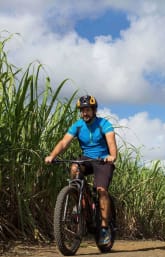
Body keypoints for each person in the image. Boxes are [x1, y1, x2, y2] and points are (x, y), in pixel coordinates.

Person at [45, 95, 118, 245]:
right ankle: (77, 198)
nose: (85, 113)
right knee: (74, 167)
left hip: (102, 160)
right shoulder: (77, 126)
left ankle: (104, 229)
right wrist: (52, 155)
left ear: (94, 110)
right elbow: (64, 142)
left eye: (87, 110)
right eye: (82, 110)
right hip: (86, 158)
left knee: (101, 190)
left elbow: (111, 142)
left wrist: (112, 156)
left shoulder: (104, 124)